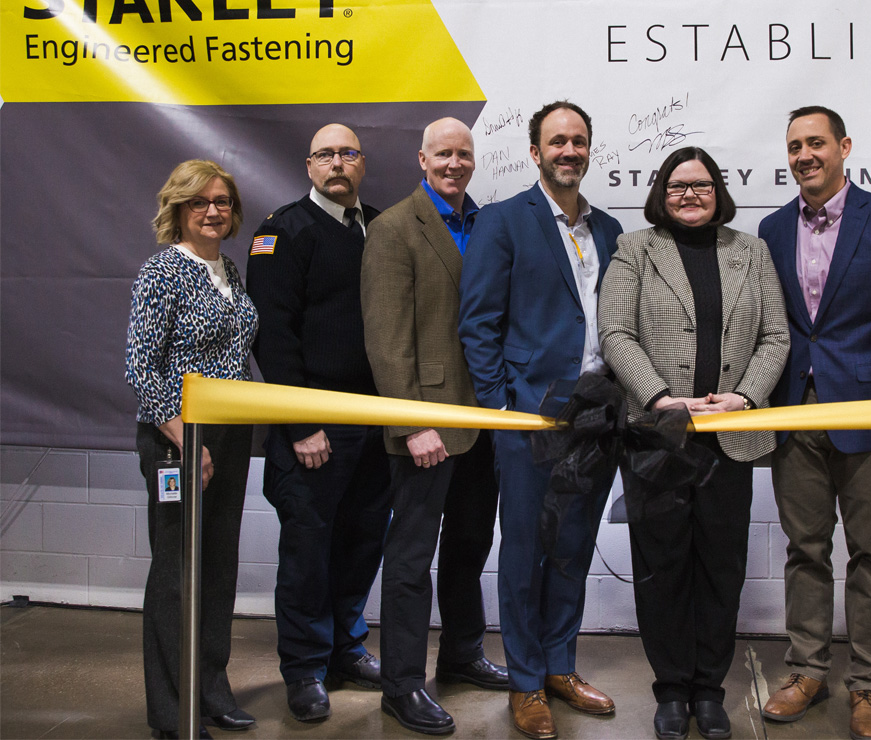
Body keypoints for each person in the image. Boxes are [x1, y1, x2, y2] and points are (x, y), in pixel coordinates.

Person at [599, 147, 789, 740]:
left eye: (701, 185)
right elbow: (615, 332)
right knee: (663, 566)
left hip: (728, 435)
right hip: (658, 437)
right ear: (661, 192)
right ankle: (671, 690)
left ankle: (711, 689)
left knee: (720, 566)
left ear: (718, 191)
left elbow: (776, 336)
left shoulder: (750, 250)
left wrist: (748, 398)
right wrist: (658, 398)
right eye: (678, 186)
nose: (690, 195)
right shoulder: (635, 248)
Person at [757, 107, 871, 740]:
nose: (805, 155)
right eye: (795, 145)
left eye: (816, 143)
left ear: (844, 147)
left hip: (868, 413)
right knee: (805, 549)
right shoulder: (772, 230)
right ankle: (806, 670)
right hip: (794, 413)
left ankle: (869, 684)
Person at [459, 100, 624, 740]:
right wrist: (502, 407)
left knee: (574, 548)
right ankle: (525, 682)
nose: (569, 151)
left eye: (578, 141)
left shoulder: (609, 230)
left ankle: (560, 665)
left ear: (589, 149)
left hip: (596, 416)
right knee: (526, 551)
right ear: (535, 152)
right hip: (529, 417)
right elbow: (478, 324)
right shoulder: (504, 222)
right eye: (557, 141)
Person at [362, 117, 509, 735]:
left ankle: (462, 652)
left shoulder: (487, 223)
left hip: (484, 419)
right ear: (422, 159)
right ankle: (401, 684)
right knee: (410, 556)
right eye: (443, 154)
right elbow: (387, 338)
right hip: (428, 423)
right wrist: (414, 422)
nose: (454, 163)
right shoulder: (394, 227)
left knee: (470, 547)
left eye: (463, 154)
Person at [246, 124, 391, 723]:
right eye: (326, 154)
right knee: (309, 550)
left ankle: (345, 649)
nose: (338, 163)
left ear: (363, 163)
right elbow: (271, 335)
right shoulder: (282, 232)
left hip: (378, 424)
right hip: (315, 428)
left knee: (360, 543)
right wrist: (303, 422)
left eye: (348, 154)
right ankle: (304, 667)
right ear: (309, 166)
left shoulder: (380, 227)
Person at [125, 159, 259, 739]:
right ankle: (173, 712)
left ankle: (211, 688)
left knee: (218, 565)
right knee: (177, 572)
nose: (212, 211)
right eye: (199, 202)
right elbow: (140, 366)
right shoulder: (162, 272)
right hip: (175, 438)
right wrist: (186, 439)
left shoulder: (228, 269)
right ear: (178, 209)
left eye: (222, 202)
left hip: (228, 435)